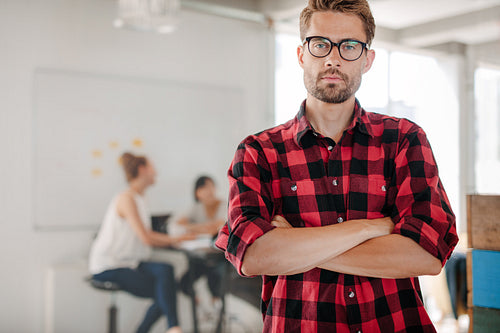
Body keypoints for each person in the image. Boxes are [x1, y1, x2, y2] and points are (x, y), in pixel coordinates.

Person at [215, 0, 459, 332]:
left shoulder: (403, 139)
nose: (332, 58)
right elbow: (253, 255)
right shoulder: (259, 152)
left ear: (367, 59)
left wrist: (294, 247)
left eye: (349, 46)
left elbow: (427, 254)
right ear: (302, 55)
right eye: (320, 44)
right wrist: (371, 227)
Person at [89, 152, 194, 333]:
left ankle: (169, 328)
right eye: (153, 168)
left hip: (130, 261)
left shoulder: (141, 198)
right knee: (167, 290)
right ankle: (173, 328)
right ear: (142, 169)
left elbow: (146, 237)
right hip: (109, 266)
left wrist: (177, 239)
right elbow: (146, 237)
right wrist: (178, 240)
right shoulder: (126, 198)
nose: (156, 173)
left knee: (166, 273)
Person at [174, 176, 227, 309]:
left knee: (214, 274)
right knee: (184, 282)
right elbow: (178, 224)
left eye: (211, 186)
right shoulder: (196, 207)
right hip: (202, 257)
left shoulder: (223, 205)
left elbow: (215, 228)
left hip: (221, 258)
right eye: (204, 187)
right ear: (197, 192)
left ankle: (216, 305)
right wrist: (203, 228)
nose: (209, 191)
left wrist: (193, 228)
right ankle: (202, 307)